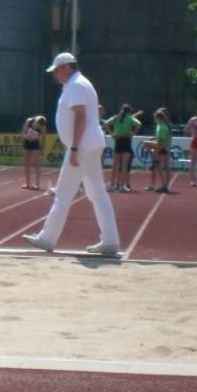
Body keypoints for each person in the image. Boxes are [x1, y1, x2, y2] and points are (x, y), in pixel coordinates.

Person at [24, 52, 119, 256]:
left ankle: (47, 238)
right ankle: (110, 240)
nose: (55, 74)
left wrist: (74, 148)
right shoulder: (79, 83)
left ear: (66, 67)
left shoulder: (76, 85)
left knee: (63, 194)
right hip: (89, 144)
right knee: (97, 193)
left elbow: (80, 117)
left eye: (57, 70)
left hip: (82, 145)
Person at [104, 104, 142, 193]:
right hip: (126, 140)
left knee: (115, 164)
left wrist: (111, 133)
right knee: (124, 165)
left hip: (118, 140)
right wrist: (133, 133)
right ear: (129, 111)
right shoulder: (129, 118)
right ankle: (122, 185)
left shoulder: (116, 117)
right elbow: (139, 124)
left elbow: (106, 123)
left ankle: (112, 184)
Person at [143, 108, 172, 194]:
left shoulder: (162, 127)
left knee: (145, 143)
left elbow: (163, 141)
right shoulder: (160, 126)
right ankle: (164, 185)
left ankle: (153, 157)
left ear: (159, 118)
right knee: (159, 168)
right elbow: (159, 138)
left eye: (155, 118)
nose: (154, 119)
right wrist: (153, 138)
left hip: (161, 148)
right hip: (160, 147)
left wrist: (156, 151)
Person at [21, 115, 46, 190]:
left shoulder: (43, 127)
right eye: (38, 124)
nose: (38, 126)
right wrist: (26, 137)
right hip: (27, 143)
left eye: (40, 126)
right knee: (27, 164)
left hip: (36, 145)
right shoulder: (29, 121)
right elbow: (22, 132)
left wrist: (42, 149)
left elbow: (43, 138)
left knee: (36, 165)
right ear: (35, 121)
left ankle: (37, 185)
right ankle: (27, 183)